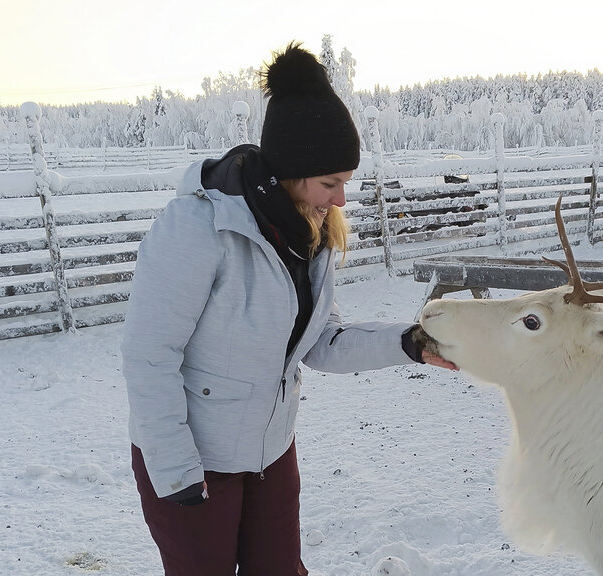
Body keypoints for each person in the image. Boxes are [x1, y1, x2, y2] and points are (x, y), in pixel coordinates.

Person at [121, 41, 455, 576]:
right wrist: (176, 469)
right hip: (193, 456)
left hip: (269, 452)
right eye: (331, 183)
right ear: (293, 172)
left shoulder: (307, 237)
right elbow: (148, 355)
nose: (342, 200)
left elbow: (321, 341)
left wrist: (407, 342)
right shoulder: (199, 228)